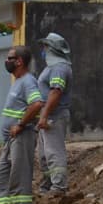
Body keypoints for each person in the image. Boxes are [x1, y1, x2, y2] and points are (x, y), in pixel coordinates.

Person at [0, 46, 43, 204]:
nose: (7, 61)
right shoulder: (18, 82)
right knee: (0, 179)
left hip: (23, 136)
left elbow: (37, 104)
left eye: (9, 58)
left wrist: (20, 124)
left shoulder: (28, 81)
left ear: (19, 61)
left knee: (19, 178)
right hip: (11, 141)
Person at [36, 32, 73, 195]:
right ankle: (49, 184)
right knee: (44, 155)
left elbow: (55, 92)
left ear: (51, 48)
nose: (43, 50)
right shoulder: (52, 67)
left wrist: (44, 116)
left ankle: (58, 186)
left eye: (45, 46)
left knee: (54, 152)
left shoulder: (59, 68)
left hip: (54, 117)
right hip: (48, 116)